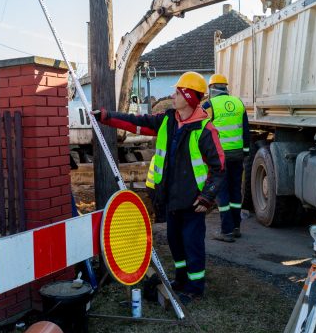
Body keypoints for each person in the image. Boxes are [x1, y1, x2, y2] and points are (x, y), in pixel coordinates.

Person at [93, 71, 224, 301]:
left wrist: (207, 198)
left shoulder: (205, 130)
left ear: (189, 97)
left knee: (192, 245)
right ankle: (181, 280)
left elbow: (219, 168)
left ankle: (195, 289)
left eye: (177, 92)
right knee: (175, 241)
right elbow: (137, 122)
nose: (173, 95)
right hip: (171, 199)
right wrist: (106, 116)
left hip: (193, 202)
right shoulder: (168, 120)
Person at [203, 74, 250, 242]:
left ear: (211, 88)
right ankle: (236, 227)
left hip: (219, 157)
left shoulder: (209, 105)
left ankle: (226, 231)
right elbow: (246, 130)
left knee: (222, 192)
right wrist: (245, 152)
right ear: (226, 87)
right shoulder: (238, 103)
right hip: (237, 155)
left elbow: (202, 130)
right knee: (235, 191)